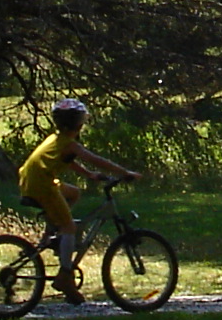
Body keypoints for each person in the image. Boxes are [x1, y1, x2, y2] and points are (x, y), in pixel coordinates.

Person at [17, 98, 135, 302]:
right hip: (43, 186)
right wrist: (125, 173)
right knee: (69, 227)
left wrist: (88, 174)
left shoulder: (56, 139)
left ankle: (51, 233)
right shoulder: (71, 144)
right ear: (79, 123)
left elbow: (66, 160)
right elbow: (96, 159)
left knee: (73, 193)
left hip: (32, 181)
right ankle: (65, 276)